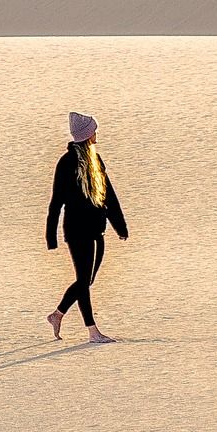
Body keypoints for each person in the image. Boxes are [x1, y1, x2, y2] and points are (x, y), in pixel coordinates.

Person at [46, 110, 128, 343]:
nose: (96, 135)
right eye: (94, 131)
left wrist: (120, 227)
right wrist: (51, 236)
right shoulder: (66, 163)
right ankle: (92, 331)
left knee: (87, 281)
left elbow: (108, 195)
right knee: (83, 280)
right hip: (76, 230)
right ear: (87, 135)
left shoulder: (95, 160)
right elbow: (56, 201)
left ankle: (57, 314)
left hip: (96, 229)